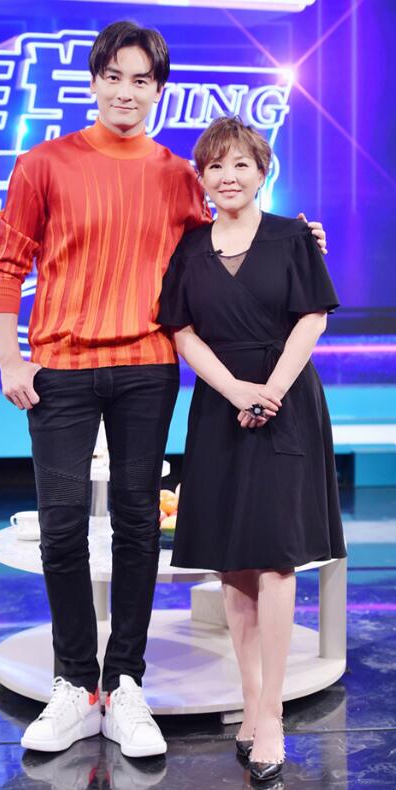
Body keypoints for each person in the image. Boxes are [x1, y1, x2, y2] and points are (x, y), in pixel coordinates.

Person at [0, 22, 328, 759]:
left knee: (139, 523)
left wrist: (301, 240)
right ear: (93, 81)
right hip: (60, 368)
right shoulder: (42, 163)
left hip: (148, 366)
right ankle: (75, 683)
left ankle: (125, 682)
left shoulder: (177, 174)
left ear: (158, 90)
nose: (125, 92)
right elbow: (8, 264)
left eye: (141, 80)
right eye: (113, 76)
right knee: (63, 525)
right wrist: (10, 360)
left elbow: (229, 235)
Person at [157, 116, 346, 782]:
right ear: (201, 178)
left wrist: (268, 392)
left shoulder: (294, 236)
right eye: (214, 166)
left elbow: (312, 318)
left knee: (275, 557)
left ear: (263, 170)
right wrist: (236, 390)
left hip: (286, 402)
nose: (228, 176)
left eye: (240, 164)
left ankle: (269, 715)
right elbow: (181, 331)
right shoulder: (189, 247)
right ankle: (250, 698)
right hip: (220, 404)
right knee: (234, 563)